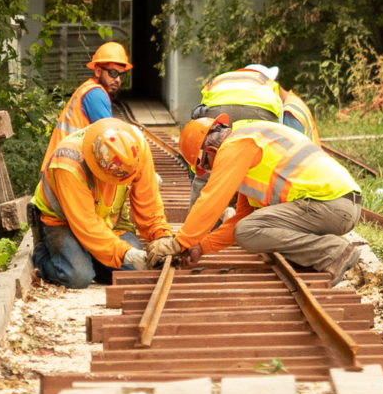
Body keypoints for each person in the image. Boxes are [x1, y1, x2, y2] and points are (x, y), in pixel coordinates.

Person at [147, 116, 362, 286]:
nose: (211, 171)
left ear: (211, 152)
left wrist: (179, 242)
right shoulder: (250, 138)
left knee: (247, 231)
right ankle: (323, 255)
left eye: (207, 165)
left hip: (330, 206)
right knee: (249, 229)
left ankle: (334, 253)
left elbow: (211, 199)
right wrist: (200, 247)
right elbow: (243, 218)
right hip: (337, 205)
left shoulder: (236, 145)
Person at [30, 118, 173, 288]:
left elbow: (149, 203)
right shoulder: (68, 162)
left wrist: (162, 238)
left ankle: (90, 257)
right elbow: (86, 224)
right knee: (78, 277)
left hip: (106, 223)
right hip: (63, 222)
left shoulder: (137, 148)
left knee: (133, 271)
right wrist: (124, 253)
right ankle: (44, 256)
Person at [188, 63, 283, 209]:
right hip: (261, 111)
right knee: (261, 162)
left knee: (207, 164)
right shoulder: (267, 82)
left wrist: (198, 169)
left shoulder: (219, 79)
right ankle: (259, 215)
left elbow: (201, 119)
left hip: (217, 108)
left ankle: (197, 219)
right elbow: (280, 122)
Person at [39, 41, 133, 172]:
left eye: (121, 75)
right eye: (113, 73)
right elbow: (112, 141)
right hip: (66, 167)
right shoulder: (95, 94)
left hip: (62, 165)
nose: (117, 79)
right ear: (98, 71)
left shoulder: (90, 90)